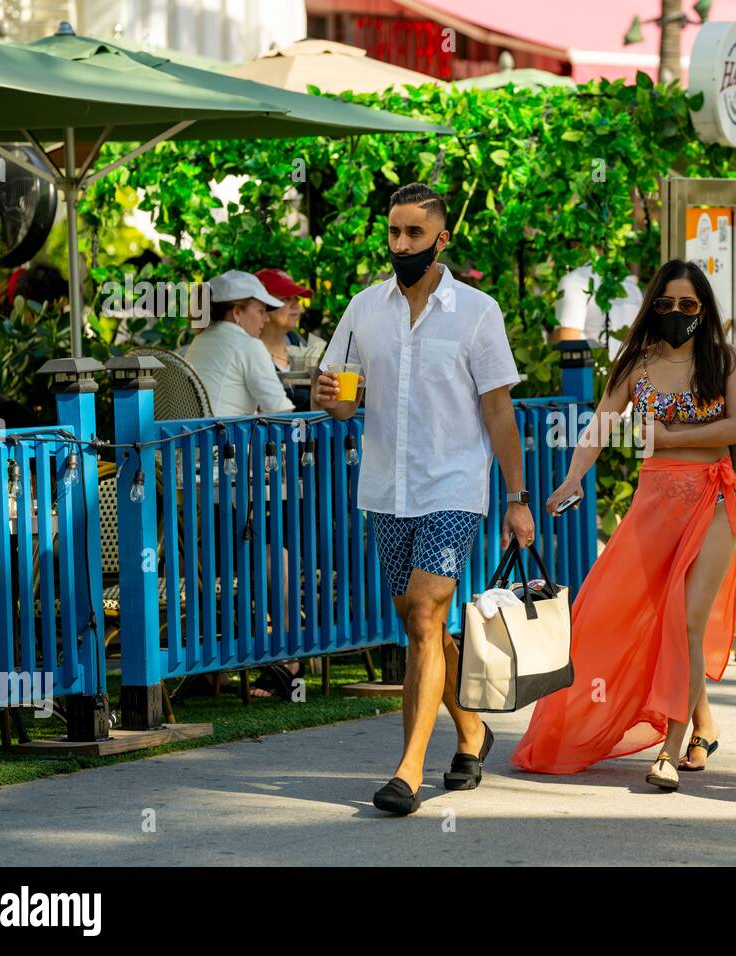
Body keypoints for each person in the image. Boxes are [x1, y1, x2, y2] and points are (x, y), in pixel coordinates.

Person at [314, 182, 532, 816]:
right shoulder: (363, 309)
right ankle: (472, 731)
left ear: (441, 239)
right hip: (387, 489)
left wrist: (516, 497)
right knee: (419, 622)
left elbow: (498, 409)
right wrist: (328, 400)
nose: (402, 243)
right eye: (394, 232)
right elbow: (343, 402)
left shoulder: (477, 312)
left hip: (454, 487)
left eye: (414, 233)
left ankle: (407, 773)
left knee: (425, 617)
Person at [511, 259, 736, 790]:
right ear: (652, 306)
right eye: (665, 303)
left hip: (715, 497)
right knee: (620, 613)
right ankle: (705, 724)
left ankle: (670, 748)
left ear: (704, 308)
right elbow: (599, 426)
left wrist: (669, 438)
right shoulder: (635, 363)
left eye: (687, 304)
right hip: (655, 502)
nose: (675, 312)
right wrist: (573, 477)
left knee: (686, 620)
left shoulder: (724, 358)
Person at [184, 270, 294, 417]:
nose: (266, 319)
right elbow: (281, 410)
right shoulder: (249, 345)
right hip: (223, 431)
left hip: (192, 431)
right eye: (261, 311)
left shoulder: (200, 339)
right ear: (237, 313)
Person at [550, 262, 644, 360]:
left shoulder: (574, 280)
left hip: (592, 369)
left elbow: (567, 349)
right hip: (629, 368)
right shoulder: (631, 285)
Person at [255, 267, 314, 410]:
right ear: (262, 305)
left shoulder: (303, 347)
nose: (295, 305)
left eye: (296, 298)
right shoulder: (247, 350)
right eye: (286, 298)